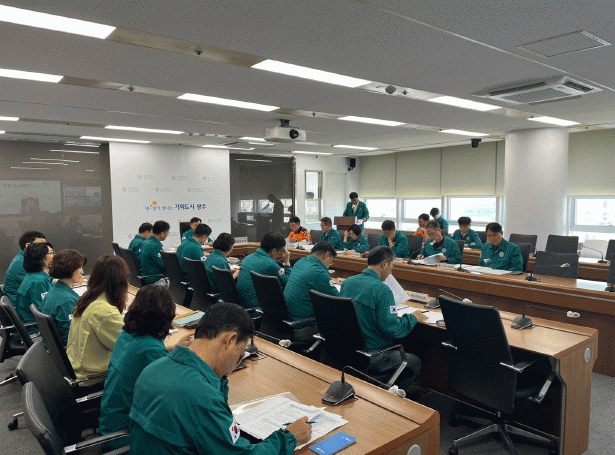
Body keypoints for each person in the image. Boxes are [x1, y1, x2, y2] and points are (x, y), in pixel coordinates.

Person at [129, 303, 311, 454]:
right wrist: (289, 438)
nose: (238, 360)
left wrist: (219, 377)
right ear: (229, 340)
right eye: (240, 353)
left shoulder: (153, 368)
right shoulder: (203, 398)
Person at [99, 285, 191, 447]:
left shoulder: (127, 334)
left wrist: (174, 348)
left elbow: (144, 354)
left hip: (111, 422)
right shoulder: (151, 349)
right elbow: (175, 392)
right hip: (127, 433)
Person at [340, 246, 426, 390]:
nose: (391, 271)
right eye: (392, 266)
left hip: (348, 348)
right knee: (415, 362)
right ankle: (391, 395)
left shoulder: (348, 282)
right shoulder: (383, 290)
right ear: (384, 263)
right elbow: (393, 329)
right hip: (374, 354)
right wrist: (413, 317)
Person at [66, 255, 129, 383]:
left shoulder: (87, 299)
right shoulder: (104, 311)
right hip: (93, 378)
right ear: (121, 282)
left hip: (77, 371)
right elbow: (129, 349)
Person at [283, 242, 339, 340]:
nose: (329, 265)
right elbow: (339, 301)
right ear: (327, 255)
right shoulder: (318, 271)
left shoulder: (300, 262)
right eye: (331, 261)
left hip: (288, 321)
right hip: (303, 327)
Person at [39, 249, 87, 345]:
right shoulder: (66, 300)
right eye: (80, 268)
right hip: (67, 349)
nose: (82, 271)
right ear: (70, 269)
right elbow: (69, 336)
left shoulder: (55, 290)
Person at [236, 232, 292, 310]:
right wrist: (287, 262)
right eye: (280, 251)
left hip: (241, 305)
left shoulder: (247, 258)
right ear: (274, 251)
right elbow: (288, 283)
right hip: (256, 308)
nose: (280, 254)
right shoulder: (270, 264)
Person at [15, 242, 54, 333]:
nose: (54, 256)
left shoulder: (35, 276)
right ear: (41, 258)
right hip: (38, 329)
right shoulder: (38, 282)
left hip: (38, 325)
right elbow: (45, 311)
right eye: (51, 253)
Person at [3, 230, 46, 305]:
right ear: (28, 246)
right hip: (20, 305)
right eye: (40, 244)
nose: (45, 248)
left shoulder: (25, 258)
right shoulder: (23, 262)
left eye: (45, 244)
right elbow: (38, 284)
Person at [140, 220, 170, 286]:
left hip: (147, 277)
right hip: (154, 279)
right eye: (167, 233)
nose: (167, 235)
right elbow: (163, 265)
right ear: (162, 234)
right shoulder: (154, 246)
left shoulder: (146, 242)